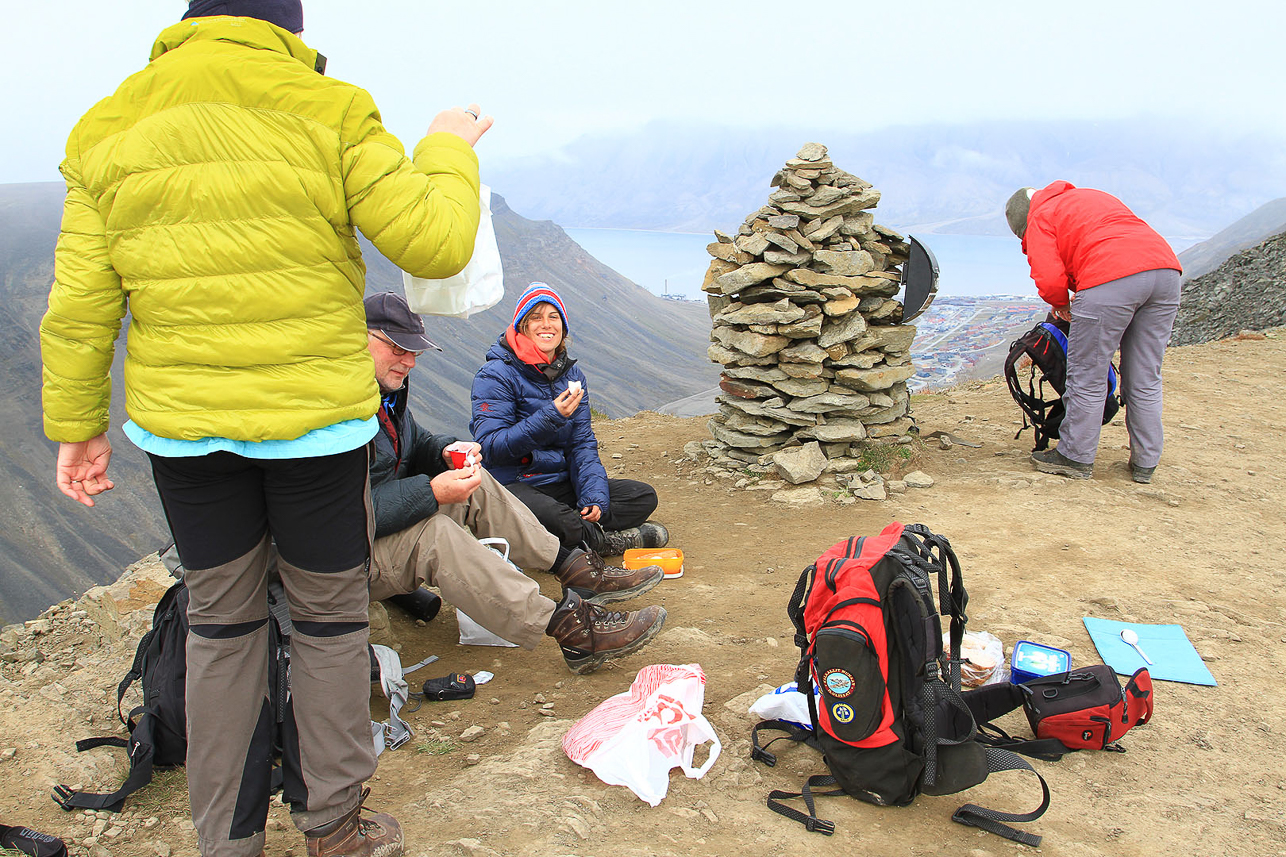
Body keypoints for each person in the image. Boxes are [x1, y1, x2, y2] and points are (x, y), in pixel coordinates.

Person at [40, 3, 493, 856]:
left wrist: (78, 425)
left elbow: (80, 306)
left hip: (185, 432)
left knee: (220, 624)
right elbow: (435, 240)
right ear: (285, 24)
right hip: (315, 430)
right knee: (328, 620)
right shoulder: (330, 108)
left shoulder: (109, 123)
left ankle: (227, 841)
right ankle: (334, 826)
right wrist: (444, 145)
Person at [362, 292, 667, 673]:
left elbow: (582, 442)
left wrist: (445, 450)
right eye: (396, 347)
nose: (408, 361)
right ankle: (572, 629)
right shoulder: (336, 409)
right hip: (343, 564)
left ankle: (576, 567)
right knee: (438, 534)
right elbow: (338, 514)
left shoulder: (382, 397)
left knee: (478, 483)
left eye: (414, 352)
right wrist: (431, 491)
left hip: (548, 484)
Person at [470, 283, 670, 555]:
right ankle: (605, 542)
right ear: (523, 326)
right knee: (549, 514)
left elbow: (582, 444)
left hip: (558, 483)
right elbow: (491, 447)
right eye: (536, 317)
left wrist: (594, 498)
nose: (546, 325)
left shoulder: (572, 377)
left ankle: (569, 533)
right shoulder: (495, 374)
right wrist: (551, 416)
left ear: (563, 328)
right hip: (512, 484)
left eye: (554, 317)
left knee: (641, 496)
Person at [1005, 182, 1182, 484]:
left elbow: (1048, 275)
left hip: (1110, 279)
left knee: (1088, 375)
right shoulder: (1087, 197)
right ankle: (1145, 462)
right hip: (1166, 275)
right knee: (1145, 375)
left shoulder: (1040, 216)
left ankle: (1075, 456)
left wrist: (1060, 303)